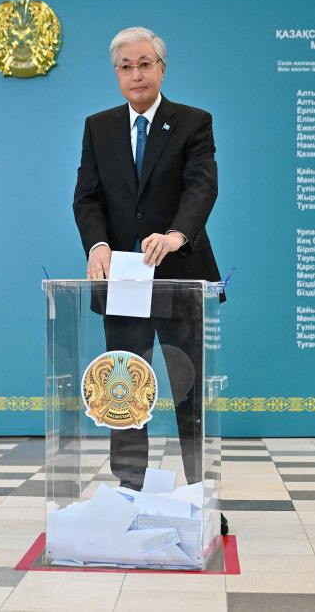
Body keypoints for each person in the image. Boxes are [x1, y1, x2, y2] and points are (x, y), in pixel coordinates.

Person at [72, 26, 227, 535]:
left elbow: (202, 186)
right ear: (116, 74)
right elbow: (87, 197)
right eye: (126, 67)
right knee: (124, 392)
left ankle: (200, 497)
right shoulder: (98, 127)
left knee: (188, 394)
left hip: (181, 279)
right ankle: (128, 494)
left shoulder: (193, 122)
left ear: (161, 68)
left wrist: (177, 235)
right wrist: (97, 246)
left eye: (144, 64)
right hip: (122, 280)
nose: (136, 74)